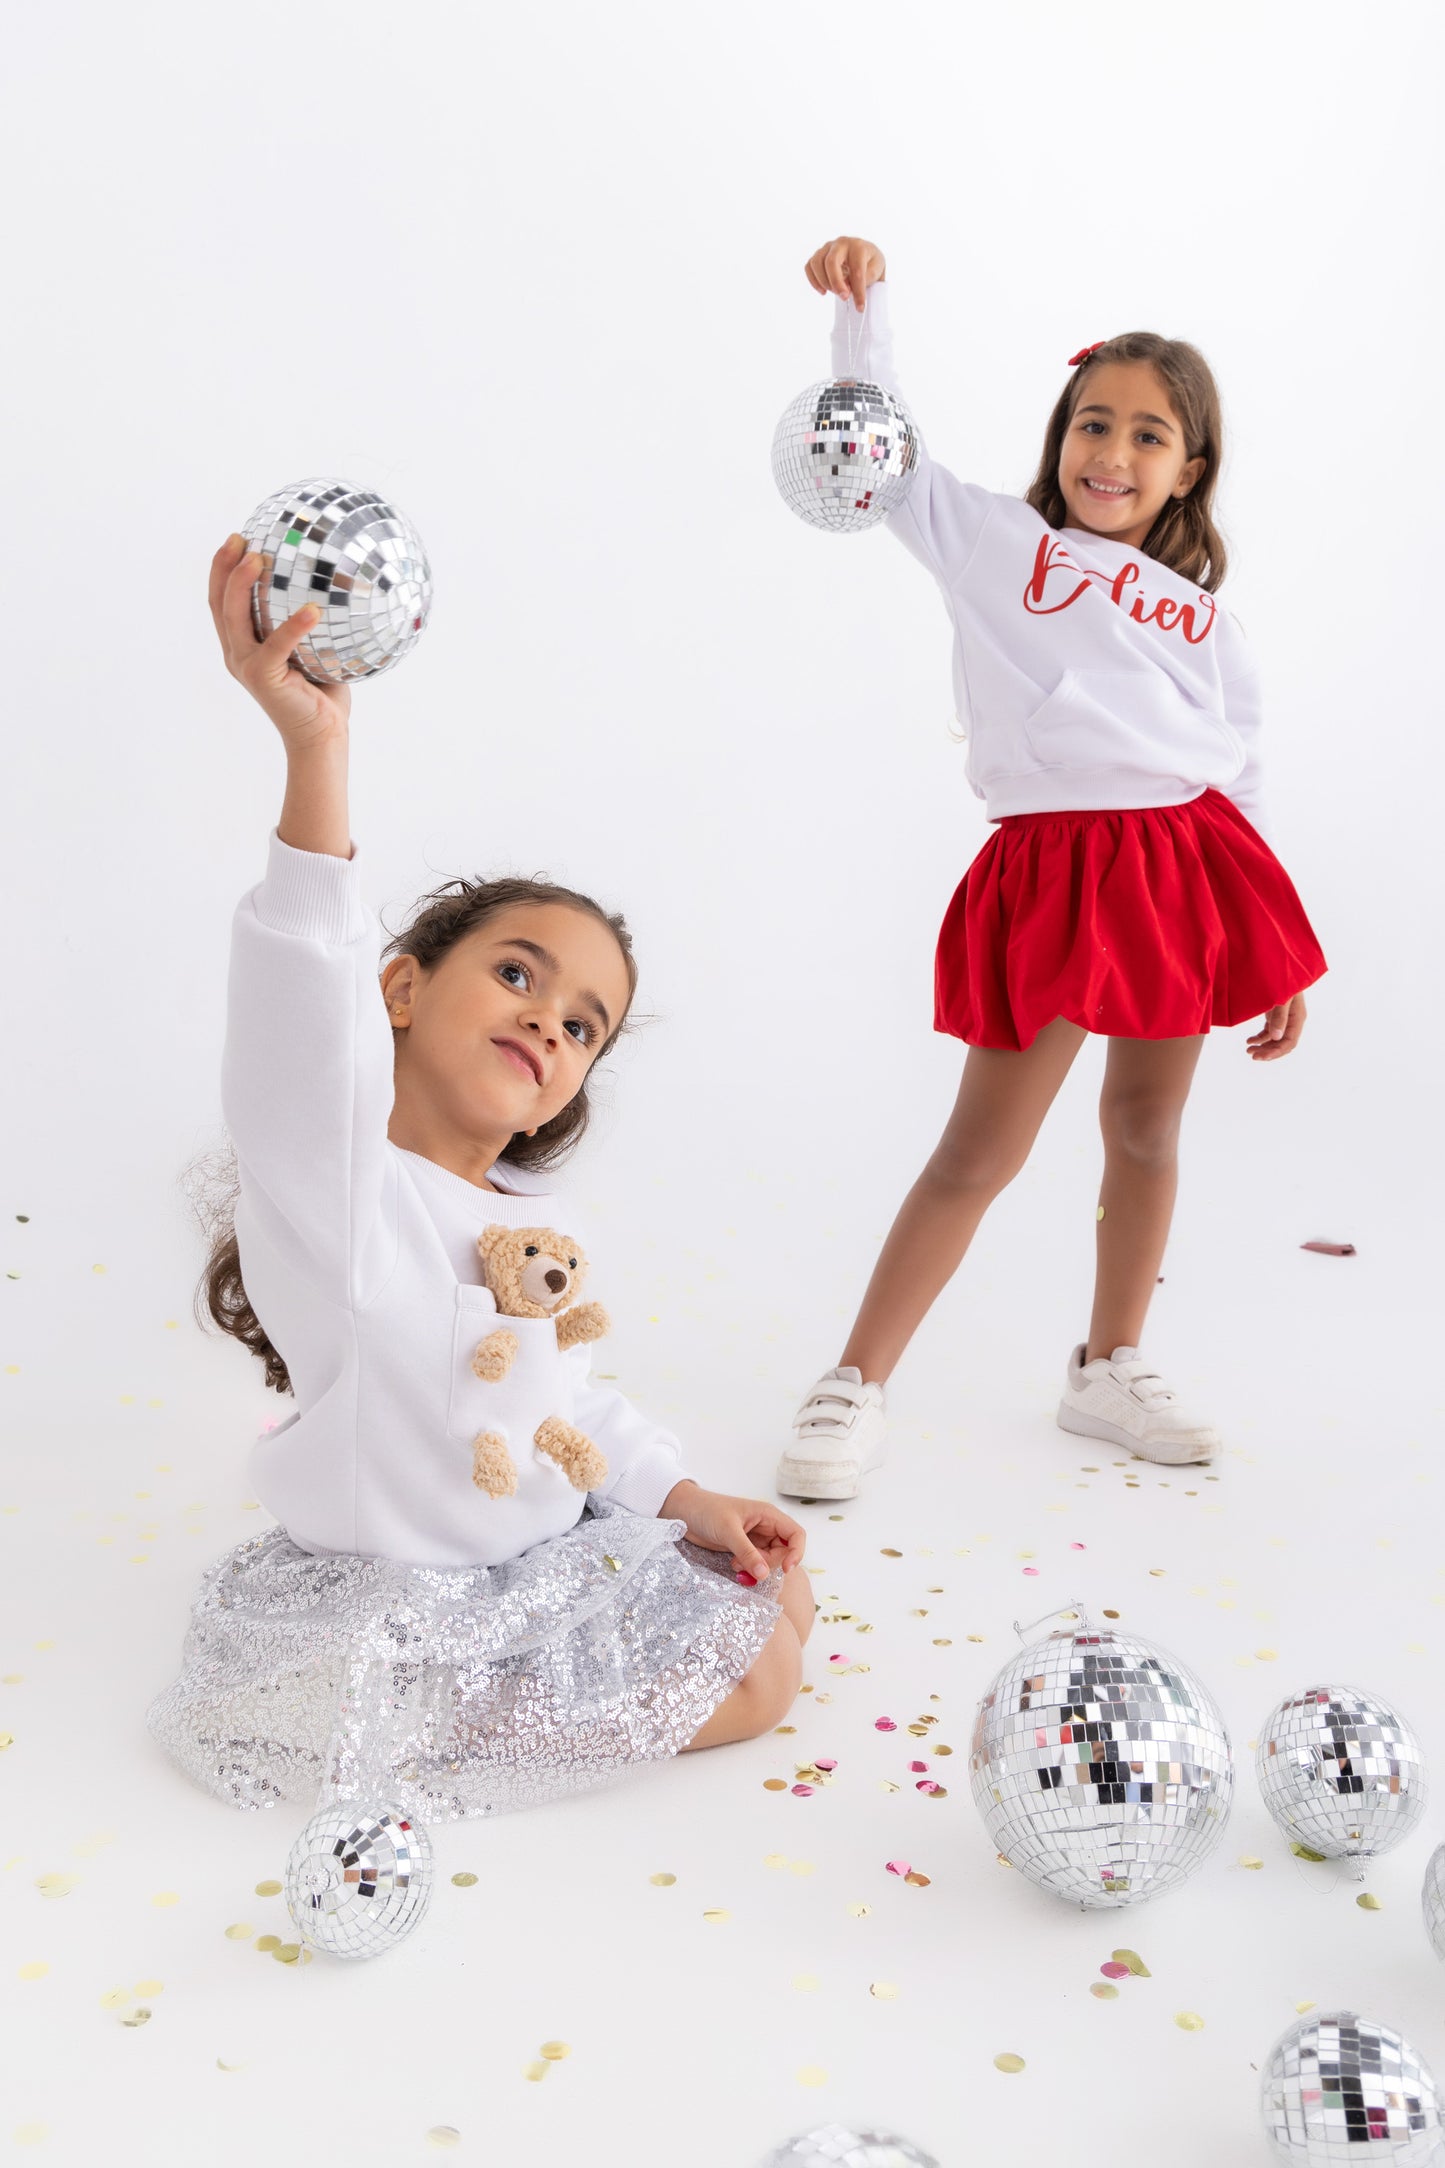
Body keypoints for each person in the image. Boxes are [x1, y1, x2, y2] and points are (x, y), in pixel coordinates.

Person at [148, 535, 813, 1821]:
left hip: (529, 1551)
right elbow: (297, 1015)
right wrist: (316, 756)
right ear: (400, 988)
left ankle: (534, 1668)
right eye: (516, 973)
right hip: (407, 1591)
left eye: (582, 1026)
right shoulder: (336, 1184)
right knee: (758, 1684)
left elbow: (566, 1394)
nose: (547, 1025)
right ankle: (426, 1710)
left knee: (777, 1593)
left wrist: (685, 1496)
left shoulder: (526, 1228)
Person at [777, 236, 1326, 1503]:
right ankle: (855, 1376)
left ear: (1187, 469)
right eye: (1092, 422)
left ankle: (1107, 1361)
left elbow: (1233, 768)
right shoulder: (989, 540)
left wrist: (1267, 936)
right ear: (1058, 434)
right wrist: (861, 320)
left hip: (1184, 866)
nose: (1109, 454)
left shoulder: (1201, 614)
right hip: (1053, 863)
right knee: (979, 1147)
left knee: (1144, 1124)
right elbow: (890, 455)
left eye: (1145, 436)